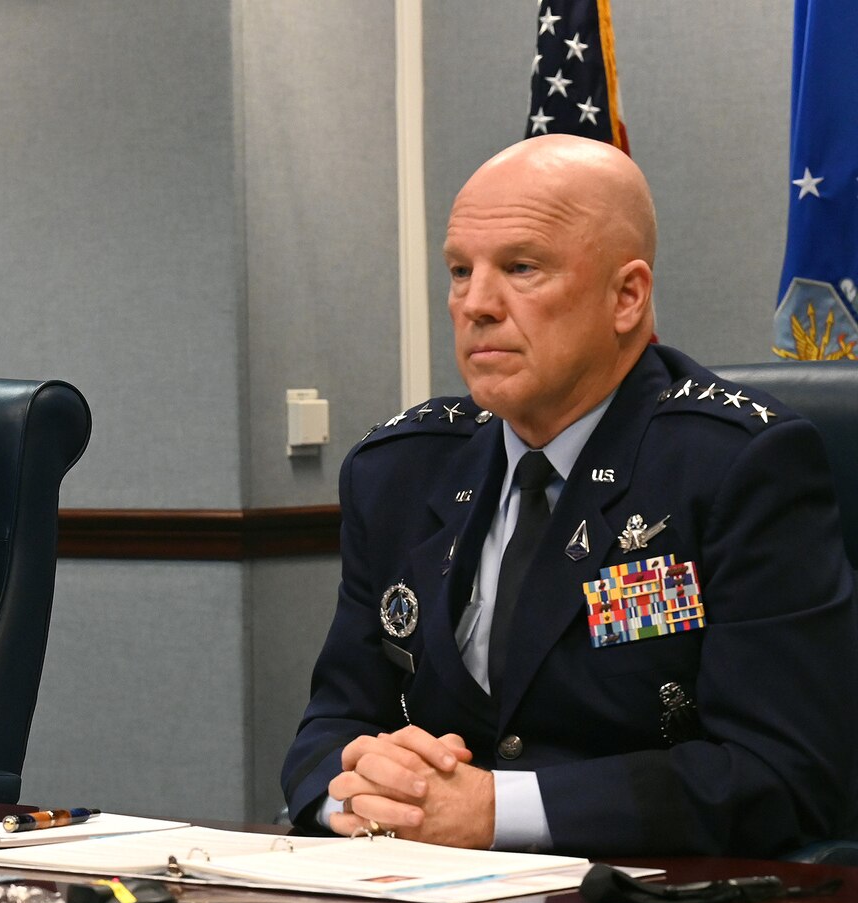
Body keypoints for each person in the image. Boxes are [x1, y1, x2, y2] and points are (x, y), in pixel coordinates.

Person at [282, 135, 858, 858]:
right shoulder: (399, 469)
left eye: (521, 269)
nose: (476, 305)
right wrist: (356, 793)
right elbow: (331, 721)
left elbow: (781, 773)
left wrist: (498, 810)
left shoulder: (736, 466)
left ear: (627, 296)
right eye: (460, 271)